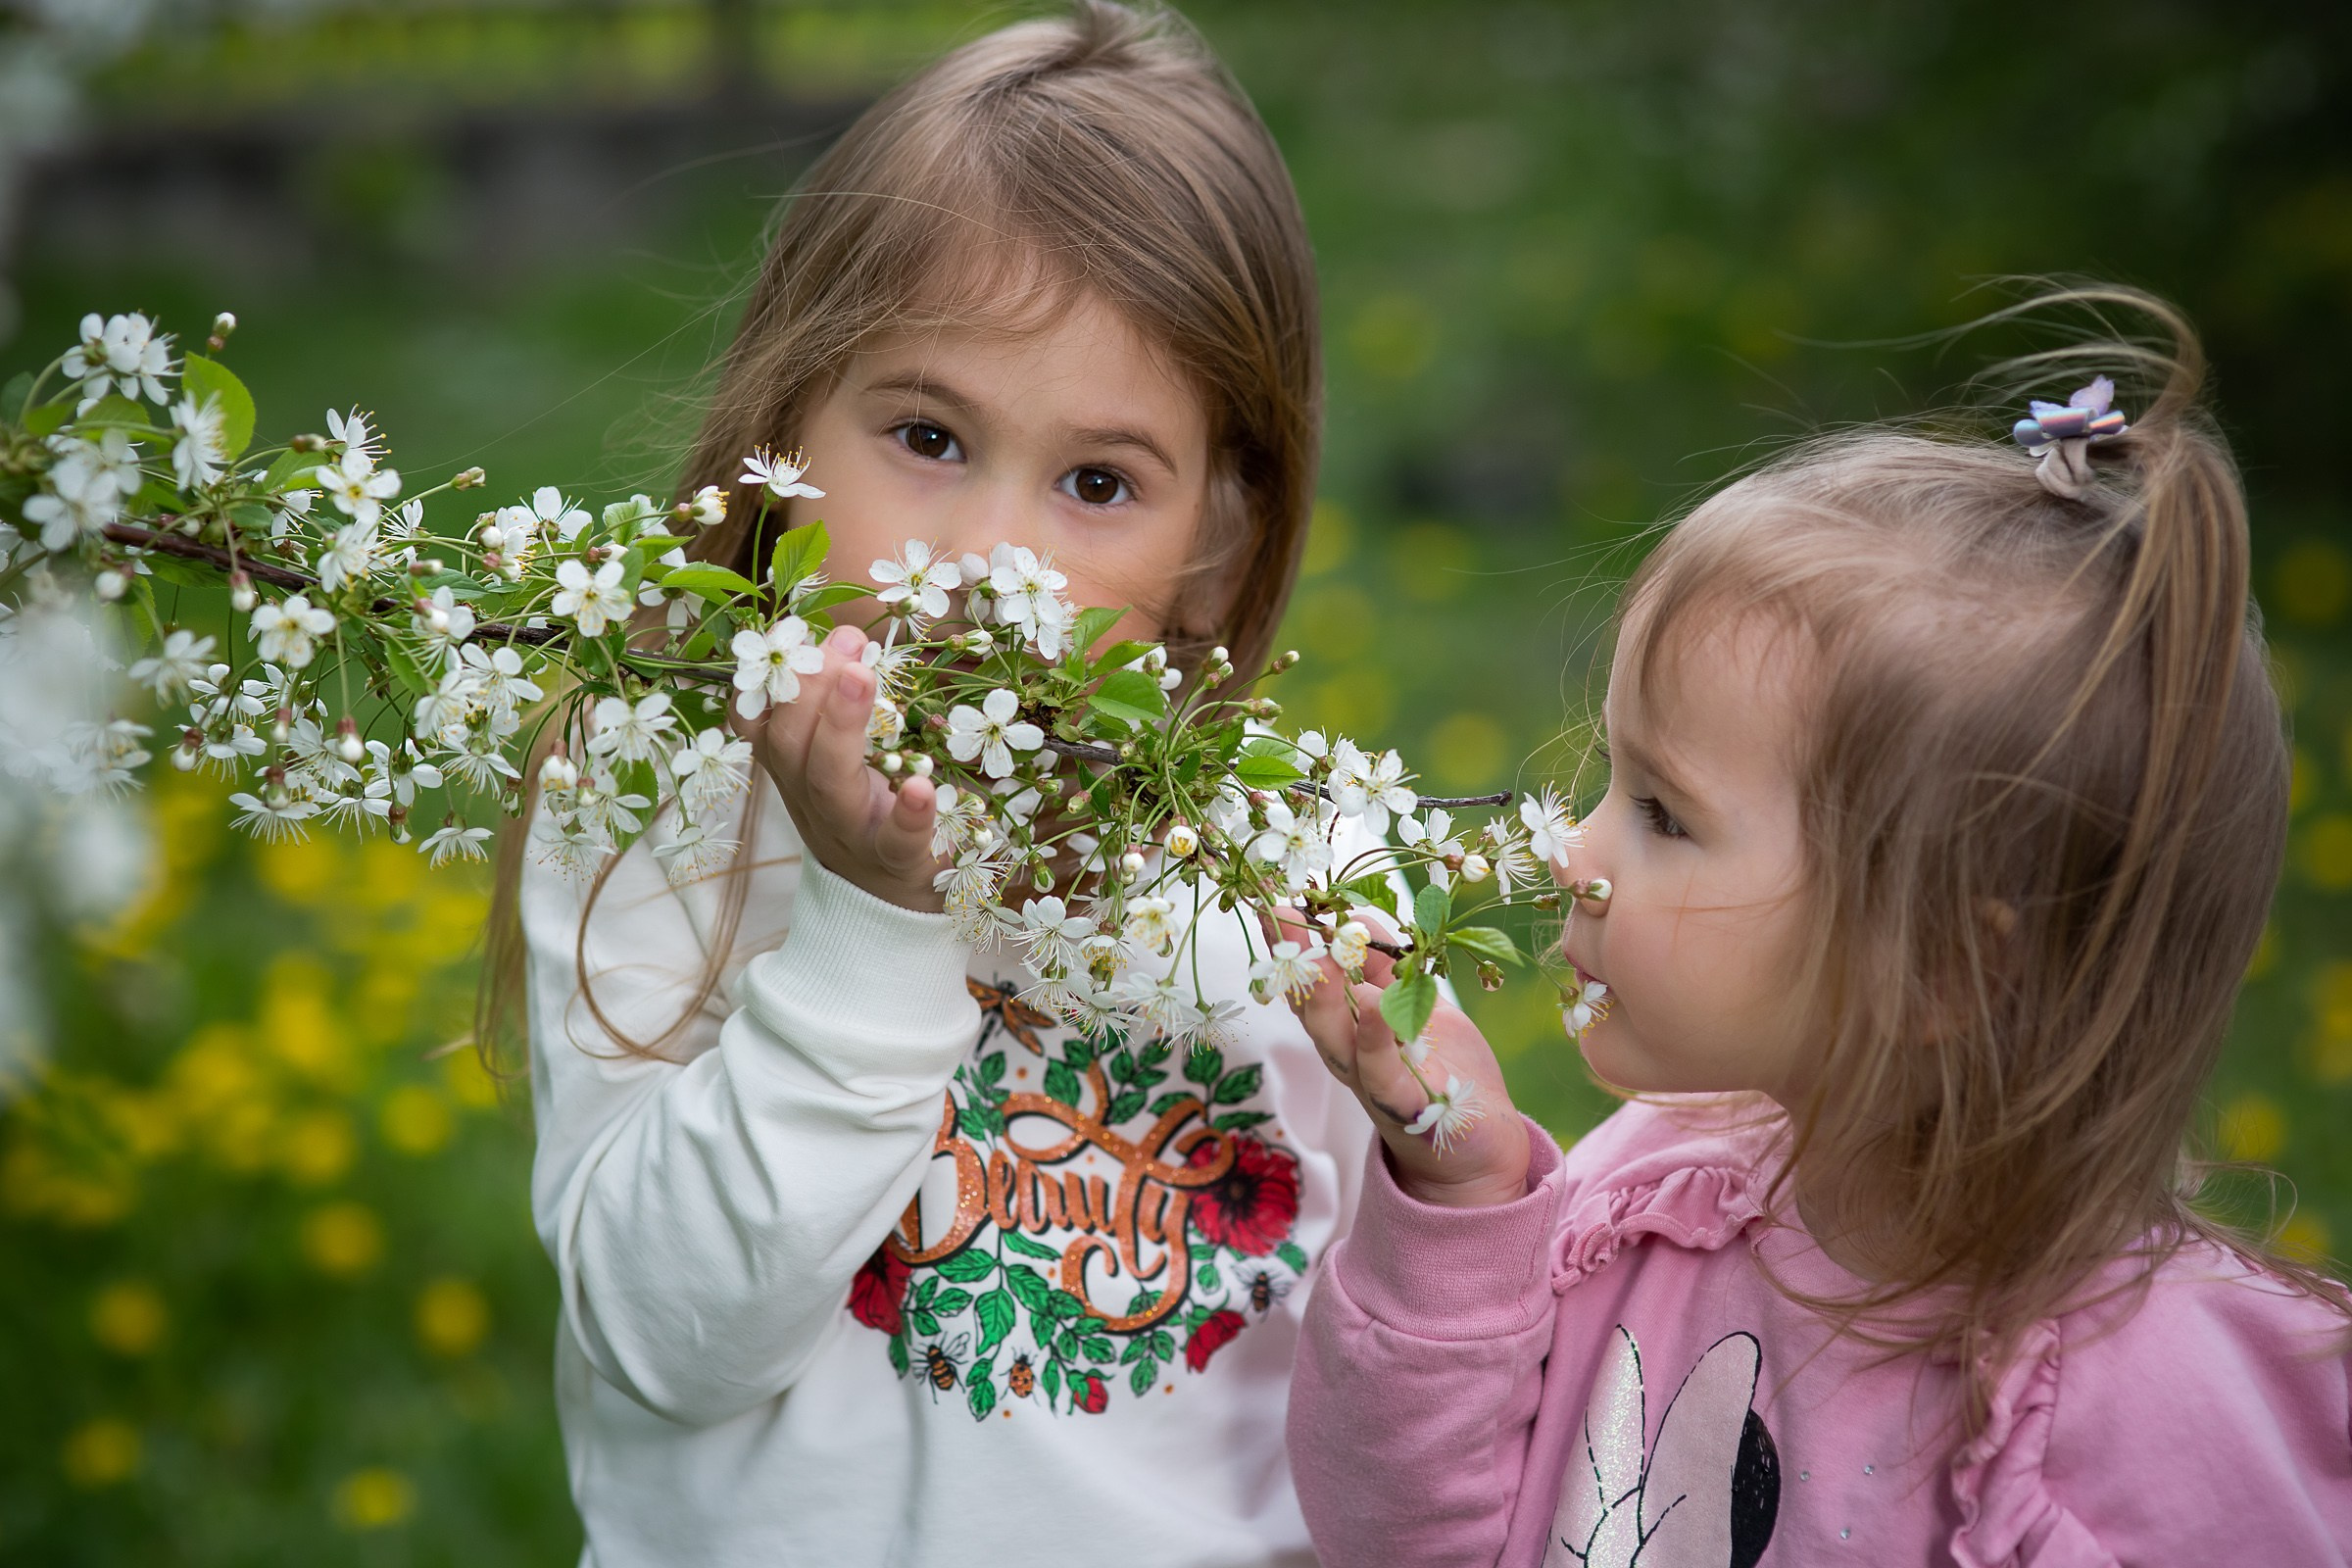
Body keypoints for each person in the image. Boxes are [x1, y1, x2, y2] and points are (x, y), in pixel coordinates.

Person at [486, 6, 1364, 1563]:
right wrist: (872, 923)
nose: (983, 564)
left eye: (1098, 483)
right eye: (928, 436)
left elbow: (1393, 1392)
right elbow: (667, 1341)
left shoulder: (1298, 887)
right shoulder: (658, 801)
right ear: (784, 437)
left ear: (1217, 549)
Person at [1283, 290, 2352, 1566]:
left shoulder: (2150, 1424)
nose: (1575, 851)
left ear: (1943, 967)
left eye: (1667, 815)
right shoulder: (1652, 1202)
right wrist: (1459, 1197)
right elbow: (1403, 1538)